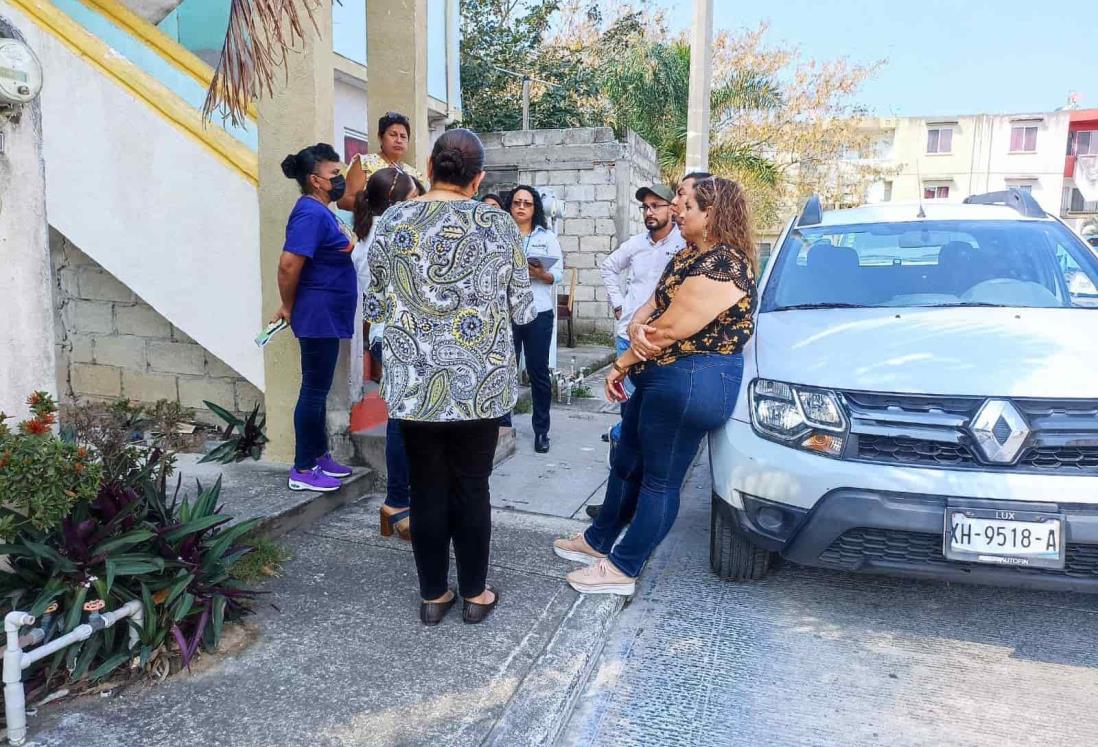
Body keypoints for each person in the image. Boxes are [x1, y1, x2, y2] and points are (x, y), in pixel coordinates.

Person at [553, 177, 758, 595]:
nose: (677, 209)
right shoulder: (688, 254)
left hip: (693, 378)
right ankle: (599, 541)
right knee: (627, 461)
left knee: (659, 481)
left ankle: (624, 568)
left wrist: (622, 363)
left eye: (685, 202)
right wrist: (635, 324)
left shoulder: (726, 264)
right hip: (663, 373)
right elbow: (652, 307)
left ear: (712, 213)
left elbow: (668, 329)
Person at [366, 129, 536, 625]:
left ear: (430, 165)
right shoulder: (499, 224)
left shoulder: (394, 220)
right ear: (478, 176)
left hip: (414, 384)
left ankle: (433, 595)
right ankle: (475, 594)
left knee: (426, 487)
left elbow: (373, 303)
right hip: (480, 385)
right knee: (472, 485)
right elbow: (522, 308)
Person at [585, 184, 685, 519]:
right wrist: (618, 304)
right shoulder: (637, 245)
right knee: (627, 420)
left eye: (656, 206)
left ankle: (642, 500)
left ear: (672, 208)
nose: (649, 213)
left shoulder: (683, 245)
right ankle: (621, 500)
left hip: (662, 342)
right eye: (645, 207)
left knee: (651, 423)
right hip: (628, 340)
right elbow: (608, 267)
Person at [274, 143, 357, 492]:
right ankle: (303, 469)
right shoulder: (309, 213)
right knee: (312, 390)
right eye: (334, 175)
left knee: (319, 390)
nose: (339, 180)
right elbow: (288, 265)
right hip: (317, 312)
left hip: (328, 313)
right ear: (315, 180)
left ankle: (320, 454)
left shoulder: (324, 211)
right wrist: (288, 306)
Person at [351, 168, 420, 540]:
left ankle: (399, 502)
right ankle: (396, 502)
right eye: (412, 200)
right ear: (394, 203)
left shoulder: (369, 235)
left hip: (387, 335)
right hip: (397, 337)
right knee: (402, 421)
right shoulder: (390, 238)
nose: (417, 206)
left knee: (406, 420)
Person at [499, 186, 563, 453]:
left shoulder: (546, 237)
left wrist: (542, 274)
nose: (521, 207)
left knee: (538, 372)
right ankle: (503, 427)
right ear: (510, 206)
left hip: (538, 312)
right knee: (503, 370)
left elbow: (558, 272)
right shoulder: (499, 235)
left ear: (535, 208)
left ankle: (541, 432)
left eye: (527, 203)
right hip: (505, 312)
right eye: (517, 202)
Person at [337, 111, 427, 212]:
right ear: (380, 137)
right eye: (393, 135)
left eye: (403, 136)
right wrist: (377, 206)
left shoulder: (414, 174)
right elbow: (344, 200)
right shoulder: (365, 163)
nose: (398, 140)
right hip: (370, 225)